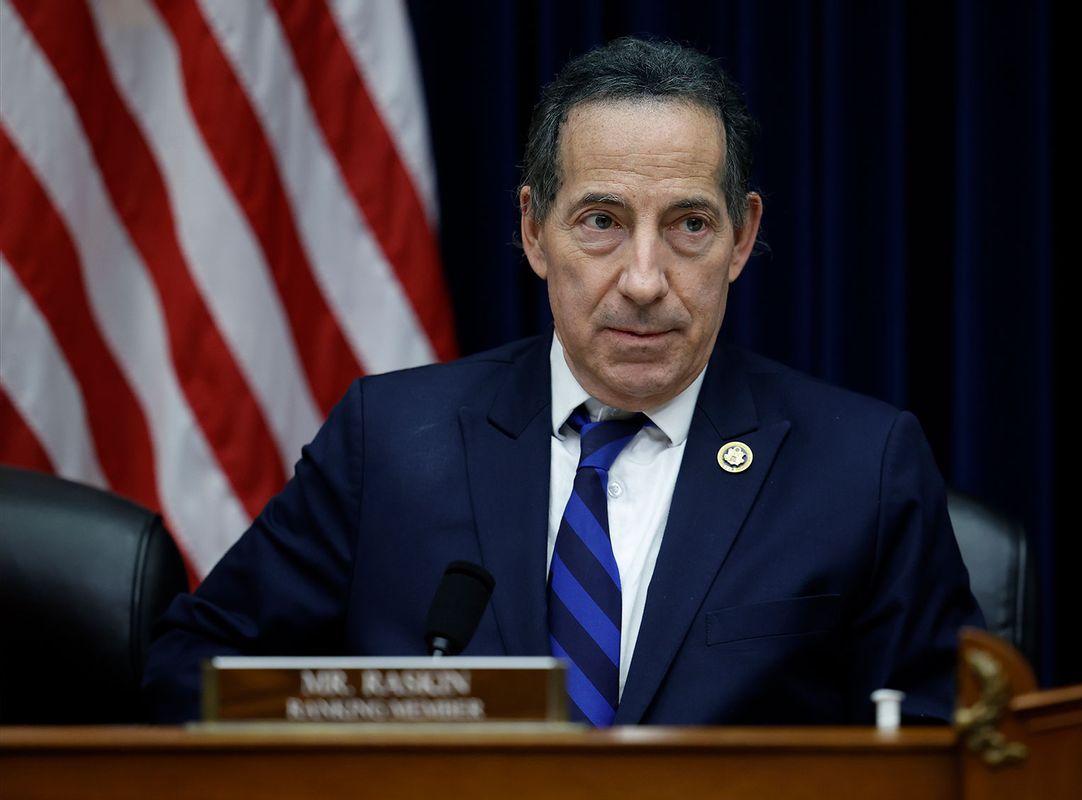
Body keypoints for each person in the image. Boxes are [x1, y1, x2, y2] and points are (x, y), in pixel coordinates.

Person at [142, 36, 982, 726]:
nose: (645, 279)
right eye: (601, 222)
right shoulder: (391, 441)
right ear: (535, 231)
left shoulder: (861, 468)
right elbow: (194, 672)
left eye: (689, 224)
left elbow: (957, 740)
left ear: (741, 237)